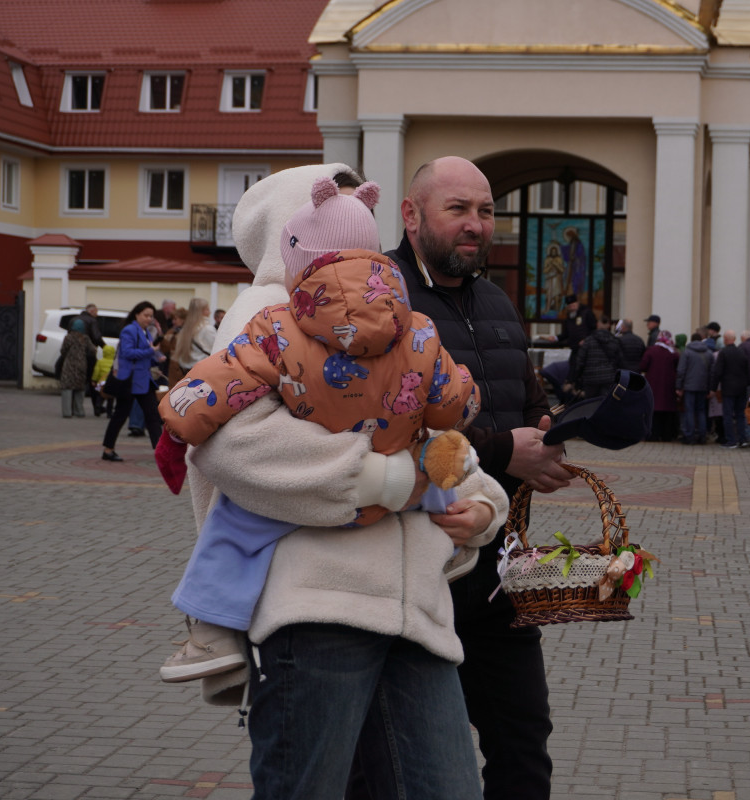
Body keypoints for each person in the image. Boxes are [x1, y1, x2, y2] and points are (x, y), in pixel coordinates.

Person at [184, 163, 510, 800]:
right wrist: (380, 478)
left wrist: (481, 505)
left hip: (417, 611)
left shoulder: (391, 312)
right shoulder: (265, 313)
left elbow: (424, 425)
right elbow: (230, 444)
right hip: (317, 611)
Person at [374, 156, 573, 800]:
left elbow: (520, 392)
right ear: (411, 214)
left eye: (485, 212)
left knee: (522, 739)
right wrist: (499, 451)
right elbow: (375, 427)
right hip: (410, 567)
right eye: (458, 209)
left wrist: (544, 424)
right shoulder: (377, 293)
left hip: (499, 573)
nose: (477, 225)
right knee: (392, 757)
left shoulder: (494, 297)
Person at [100, 300, 166, 461]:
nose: (149, 319)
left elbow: (145, 355)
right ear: (136, 314)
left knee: (152, 416)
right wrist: (150, 351)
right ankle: (108, 450)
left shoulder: (146, 332)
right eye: (146, 315)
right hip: (128, 381)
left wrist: (157, 358)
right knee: (120, 416)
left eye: (151, 316)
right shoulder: (129, 330)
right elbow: (128, 353)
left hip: (143, 381)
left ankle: (160, 453)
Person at [711, 329, 749, 449]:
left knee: (727, 415)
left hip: (728, 388)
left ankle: (731, 440)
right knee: (740, 415)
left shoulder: (723, 353)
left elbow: (717, 372)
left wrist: (712, 388)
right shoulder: (741, 352)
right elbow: (747, 370)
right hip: (742, 388)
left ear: (726, 339)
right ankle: (742, 439)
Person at [640, 329, 679, 442]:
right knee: (667, 412)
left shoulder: (651, 350)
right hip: (669, 386)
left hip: (653, 385)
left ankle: (653, 435)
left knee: (654, 411)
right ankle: (667, 435)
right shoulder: (673, 353)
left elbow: (643, 366)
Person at [571, 314, 622, 399]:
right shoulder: (614, 341)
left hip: (590, 377)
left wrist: (577, 377)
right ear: (609, 325)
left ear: (597, 324)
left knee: (590, 403)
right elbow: (618, 359)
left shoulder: (588, 340)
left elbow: (580, 361)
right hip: (608, 377)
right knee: (604, 403)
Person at [676, 330, 713, 445]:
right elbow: (712, 372)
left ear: (691, 340)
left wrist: (678, 386)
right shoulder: (709, 353)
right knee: (701, 411)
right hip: (703, 386)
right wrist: (710, 387)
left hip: (689, 386)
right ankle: (702, 436)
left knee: (689, 411)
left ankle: (690, 436)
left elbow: (681, 371)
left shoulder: (687, 352)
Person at [169, 297, 217, 385]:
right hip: (203, 375)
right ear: (202, 311)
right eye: (207, 309)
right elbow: (216, 351)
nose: (210, 312)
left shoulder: (185, 330)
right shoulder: (207, 329)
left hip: (187, 374)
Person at [58, 318, 96, 418]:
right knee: (80, 387)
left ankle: (67, 412)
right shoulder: (85, 338)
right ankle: (79, 411)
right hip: (82, 365)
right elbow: (93, 350)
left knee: (67, 387)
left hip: (69, 364)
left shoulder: (68, 337)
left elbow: (63, 351)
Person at [554, 294, 597, 373]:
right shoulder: (569, 316)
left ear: (577, 303)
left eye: (573, 305)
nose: (572, 307)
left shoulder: (587, 313)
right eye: (570, 306)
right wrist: (556, 338)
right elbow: (566, 333)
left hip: (586, 348)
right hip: (574, 347)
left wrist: (586, 340)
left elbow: (593, 330)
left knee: (583, 368)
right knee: (573, 367)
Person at [91, 343, 117, 418]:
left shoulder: (100, 361)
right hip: (112, 382)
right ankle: (109, 412)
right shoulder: (115, 362)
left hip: (101, 382)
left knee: (100, 396)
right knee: (111, 398)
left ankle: (98, 408)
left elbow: (96, 371)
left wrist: (94, 380)